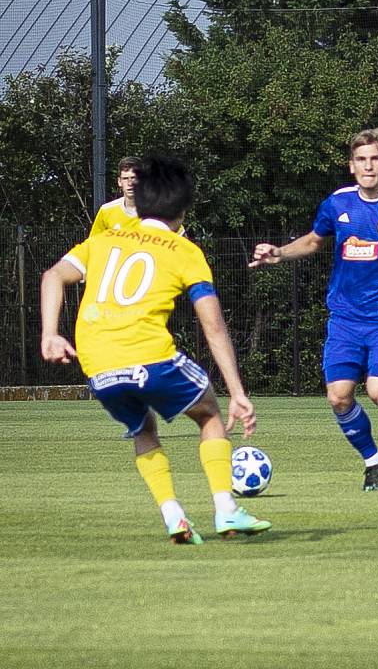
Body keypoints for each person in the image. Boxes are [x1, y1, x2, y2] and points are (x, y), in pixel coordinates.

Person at [41, 155, 271, 544]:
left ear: (140, 201)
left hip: (97, 365)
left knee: (142, 427)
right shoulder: (185, 251)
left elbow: (52, 276)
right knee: (210, 413)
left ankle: (173, 516)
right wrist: (238, 392)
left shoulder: (101, 240)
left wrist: (50, 334)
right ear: (182, 209)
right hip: (150, 357)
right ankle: (227, 511)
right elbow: (212, 325)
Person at [250, 127, 378, 492]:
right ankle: (374, 461)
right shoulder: (337, 203)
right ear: (351, 166)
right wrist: (278, 253)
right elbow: (313, 241)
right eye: (361, 159)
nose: (368, 165)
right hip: (344, 320)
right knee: (338, 396)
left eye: (375, 158)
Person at [90, 156, 185, 237]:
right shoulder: (106, 211)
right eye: (125, 178)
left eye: (133, 178)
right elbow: (93, 244)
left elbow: (181, 239)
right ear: (119, 181)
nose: (130, 183)